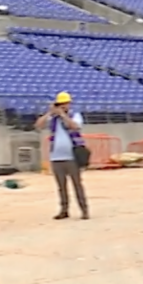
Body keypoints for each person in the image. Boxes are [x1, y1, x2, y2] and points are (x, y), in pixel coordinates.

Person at [35, 92, 89, 220]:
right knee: (61, 186)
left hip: (72, 156)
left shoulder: (74, 115)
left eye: (64, 104)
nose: (62, 106)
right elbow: (38, 125)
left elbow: (75, 126)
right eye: (60, 104)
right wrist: (49, 113)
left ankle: (84, 209)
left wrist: (63, 115)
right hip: (56, 157)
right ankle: (64, 209)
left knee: (77, 185)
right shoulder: (53, 119)